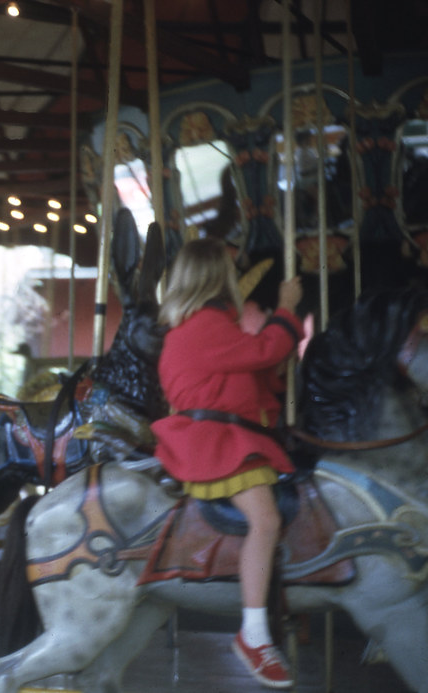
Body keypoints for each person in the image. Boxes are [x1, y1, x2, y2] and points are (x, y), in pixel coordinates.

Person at [150, 238, 303, 690]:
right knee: (266, 519)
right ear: (216, 277)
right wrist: (285, 310)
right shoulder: (206, 324)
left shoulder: (200, 326)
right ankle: (253, 634)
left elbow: (252, 374)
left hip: (224, 432)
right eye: (230, 271)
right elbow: (265, 353)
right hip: (213, 440)